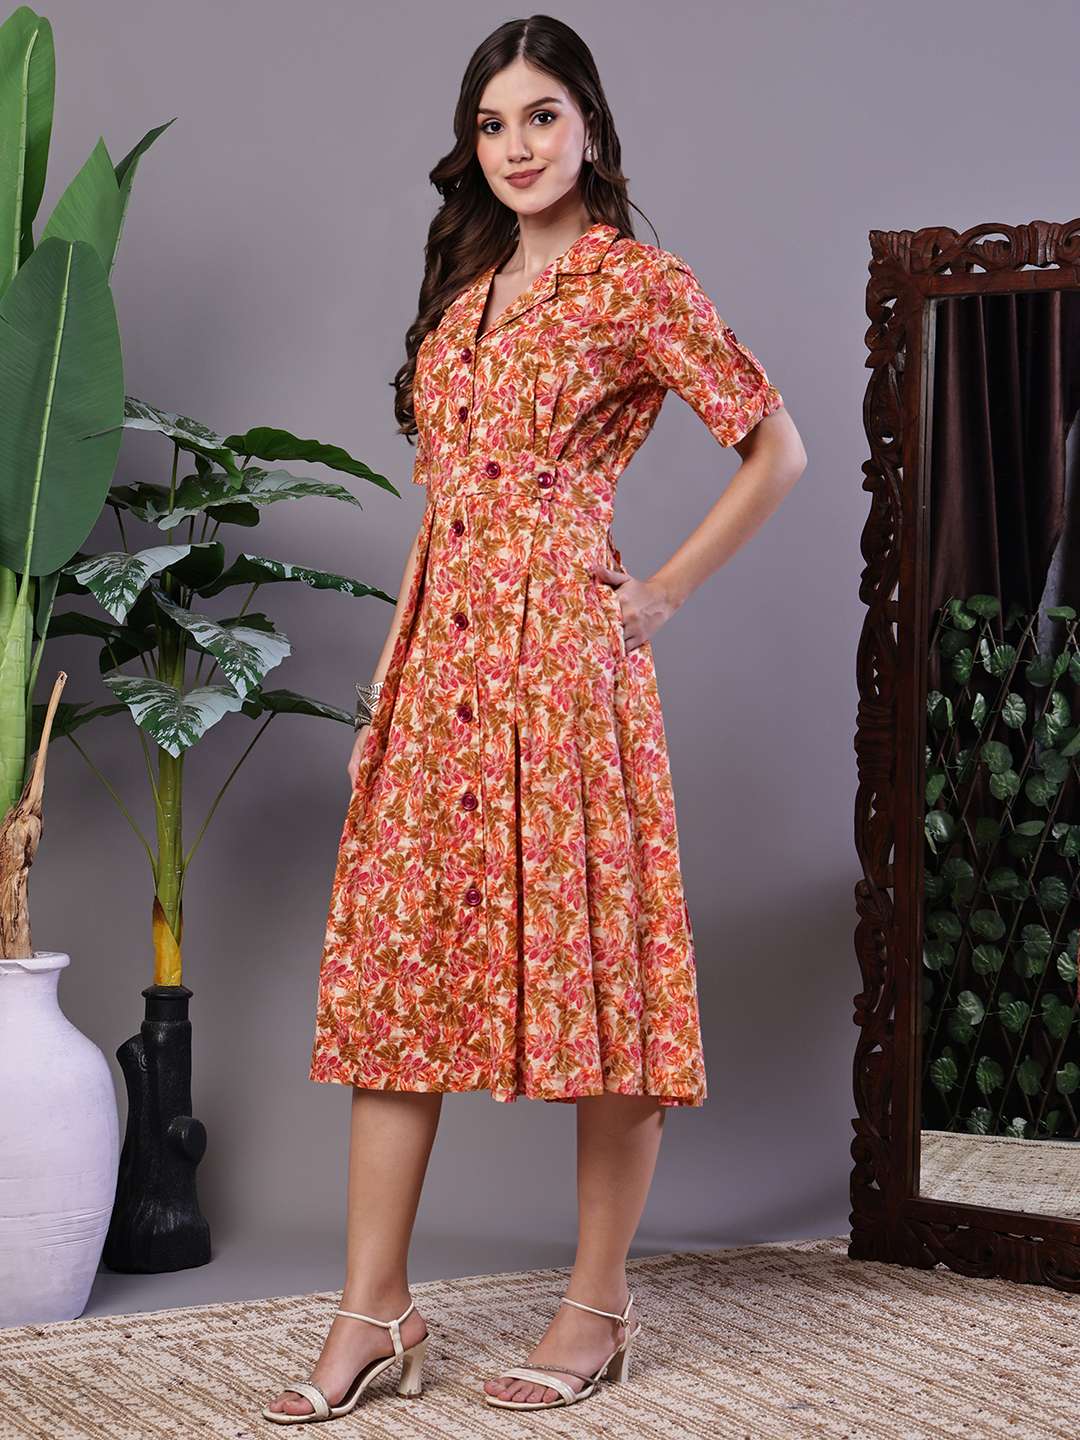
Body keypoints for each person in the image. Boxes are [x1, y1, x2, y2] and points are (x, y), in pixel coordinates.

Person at [263, 12, 806, 1425]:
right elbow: (446, 511)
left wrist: (663, 592)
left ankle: (597, 1306)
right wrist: (389, 681)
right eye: (493, 124)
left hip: (565, 666)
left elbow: (776, 445)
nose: (516, 147)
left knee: (598, 980)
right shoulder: (465, 298)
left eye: (542, 116)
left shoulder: (635, 285)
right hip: (439, 668)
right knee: (396, 981)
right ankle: (372, 1308)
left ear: (590, 127)